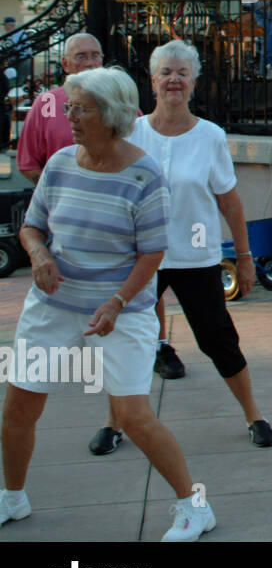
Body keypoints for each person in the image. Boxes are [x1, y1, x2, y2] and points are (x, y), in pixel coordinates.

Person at [0, 67, 216, 540]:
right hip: (53, 305)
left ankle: (194, 507)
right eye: (70, 106)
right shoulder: (59, 164)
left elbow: (153, 252)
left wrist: (117, 303)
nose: (69, 115)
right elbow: (32, 227)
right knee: (18, 407)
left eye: (81, 108)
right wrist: (37, 255)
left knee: (135, 417)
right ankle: (13, 498)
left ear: (113, 115)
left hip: (123, 311)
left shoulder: (144, 174)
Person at [85, 41, 272, 456]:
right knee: (127, 340)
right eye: (166, 72)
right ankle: (113, 421)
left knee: (218, 339)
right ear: (152, 81)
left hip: (196, 257)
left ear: (193, 81)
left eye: (182, 73)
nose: (174, 80)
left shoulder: (210, 136)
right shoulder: (130, 133)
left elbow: (230, 202)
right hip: (139, 259)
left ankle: (253, 415)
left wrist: (244, 259)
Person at [16, 32, 183, 381]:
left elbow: (151, 251)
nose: (90, 62)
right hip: (67, 235)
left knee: (147, 278)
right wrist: (69, 192)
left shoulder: (121, 107)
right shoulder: (46, 105)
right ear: (64, 64)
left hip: (118, 240)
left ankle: (158, 345)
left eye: (95, 55)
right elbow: (30, 163)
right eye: (81, 57)